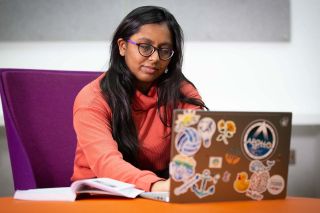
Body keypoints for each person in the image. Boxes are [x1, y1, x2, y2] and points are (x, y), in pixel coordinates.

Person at [71, 6, 207, 192]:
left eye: (164, 50)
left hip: (159, 195)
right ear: (122, 46)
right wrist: (156, 185)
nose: (154, 58)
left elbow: (198, 151)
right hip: (101, 193)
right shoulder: (93, 99)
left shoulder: (182, 93)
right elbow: (106, 164)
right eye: (145, 47)